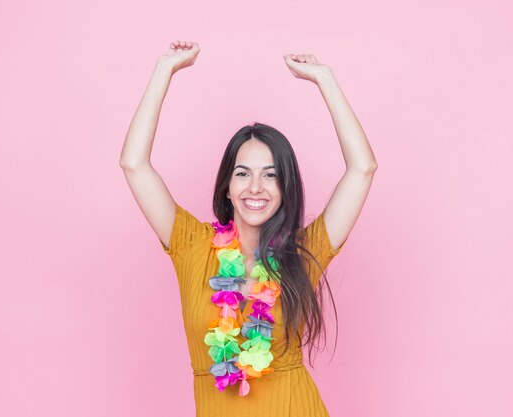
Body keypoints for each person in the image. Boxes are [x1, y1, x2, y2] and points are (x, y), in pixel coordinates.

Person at [120, 40, 377, 417]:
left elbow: (362, 169)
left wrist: (325, 79)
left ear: (285, 187)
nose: (255, 187)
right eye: (243, 173)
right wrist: (165, 69)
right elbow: (134, 164)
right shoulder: (191, 244)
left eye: (270, 176)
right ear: (227, 184)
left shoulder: (303, 252)